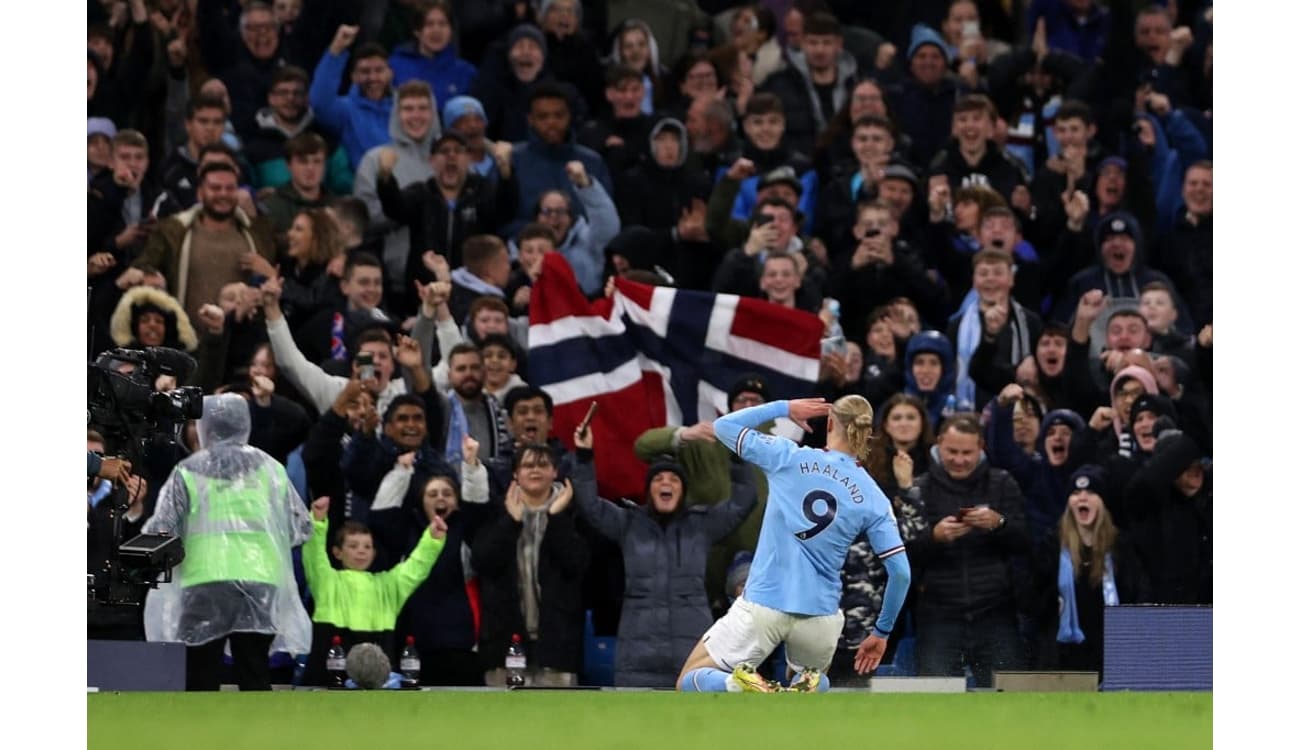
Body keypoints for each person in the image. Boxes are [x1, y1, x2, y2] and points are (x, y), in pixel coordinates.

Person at [676, 395, 912, 693]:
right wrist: (882, 632)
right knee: (812, 681)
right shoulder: (874, 497)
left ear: (829, 423)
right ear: (868, 431)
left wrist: (784, 409)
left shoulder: (788, 456)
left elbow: (724, 426)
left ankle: (735, 684)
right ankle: (809, 682)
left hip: (764, 604)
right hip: (821, 615)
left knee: (690, 677)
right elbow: (901, 572)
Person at [142, 394, 312, 691]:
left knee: (201, 674)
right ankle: (260, 735)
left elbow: (163, 528)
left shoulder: (188, 470)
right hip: (259, 580)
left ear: (204, 426)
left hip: (204, 581)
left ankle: (200, 735)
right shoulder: (270, 469)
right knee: (255, 670)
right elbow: (301, 527)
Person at [572, 423, 757, 687]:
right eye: (658, 479)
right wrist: (583, 456)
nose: (666, 483)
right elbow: (589, 505)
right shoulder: (629, 524)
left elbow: (744, 501)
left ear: (683, 490)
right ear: (649, 490)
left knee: (696, 726)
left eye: (673, 479)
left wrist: (737, 455)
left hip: (692, 654)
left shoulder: (702, 525)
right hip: (637, 658)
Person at [904, 413, 1030, 687]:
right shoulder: (918, 489)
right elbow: (904, 554)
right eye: (952, 451)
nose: (959, 460)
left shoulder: (1003, 483)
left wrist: (999, 524)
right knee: (934, 706)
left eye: (967, 453)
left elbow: (1025, 543)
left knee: (1010, 704)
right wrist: (934, 538)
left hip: (996, 612)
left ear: (981, 447)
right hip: (938, 615)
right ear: (939, 444)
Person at [472, 444, 589, 687]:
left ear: (555, 472)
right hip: (504, 646)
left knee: (556, 724)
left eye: (543, 464)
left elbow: (577, 565)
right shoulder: (497, 512)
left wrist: (556, 520)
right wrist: (511, 522)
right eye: (527, 465)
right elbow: (482, 562)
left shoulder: (574, 514)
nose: (535, 470)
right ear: (515, 473)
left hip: (557, 648)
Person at [300, 495, 447, 686]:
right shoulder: (327, 581)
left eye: (367, 546)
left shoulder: (388, 586)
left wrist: (432, 541)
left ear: (374, 553)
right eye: (353, 546)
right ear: (337, 552)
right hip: (329, 669)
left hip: (379, 671)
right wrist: (318, 522)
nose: (361, 551)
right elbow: (314, 555)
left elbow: (415, 568)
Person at [1030, 464, 1148, 675]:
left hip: (1110, 650)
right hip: (1062, 654)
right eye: (1076, 493)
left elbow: (1136, 595)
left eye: (1091, 492)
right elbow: (1033, 599)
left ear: (1103, 502)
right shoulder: (1052, 544)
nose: (1082, 498)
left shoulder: (1121, 546)